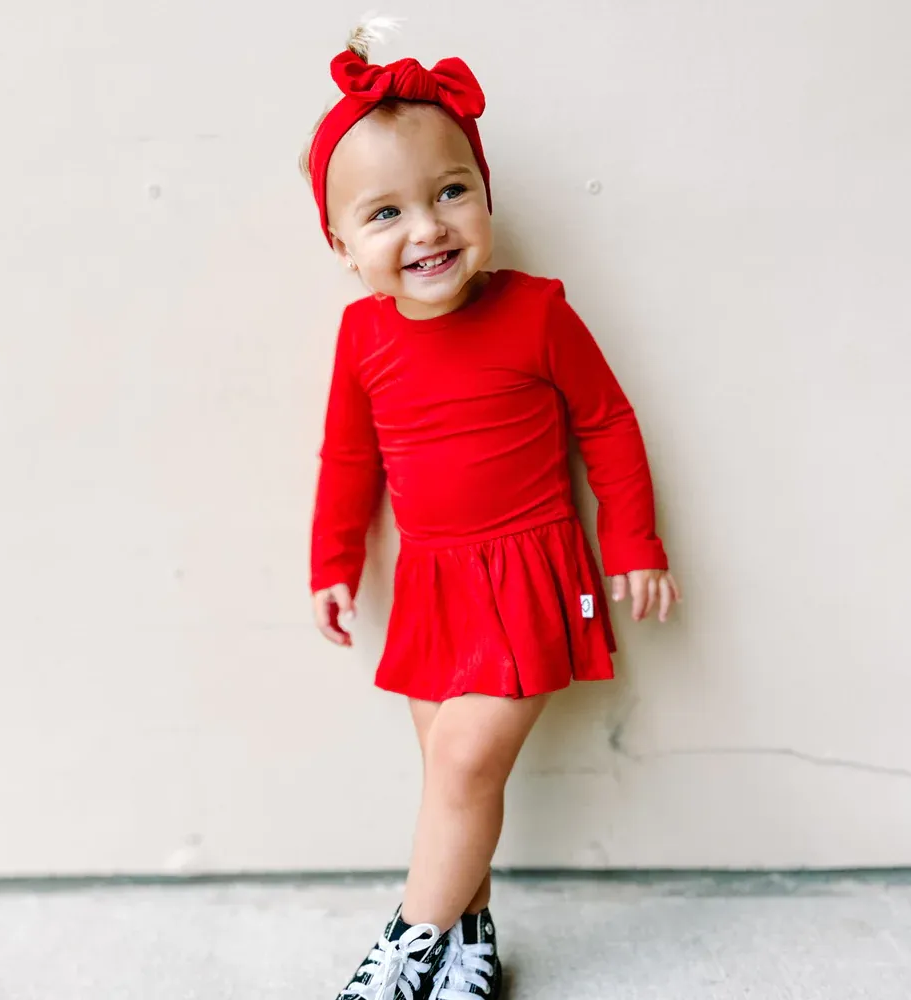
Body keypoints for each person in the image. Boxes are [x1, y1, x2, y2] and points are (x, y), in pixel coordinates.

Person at [301, 18, 682, 1000]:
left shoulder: (537, 311)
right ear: (341, 245)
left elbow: (606, 421)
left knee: (466, 761)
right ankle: (472, 939)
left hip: (527, 573)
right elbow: (349, 459)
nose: (425, 229)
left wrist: (632, 539)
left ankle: (404, 942)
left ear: (486, 197)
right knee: (451, 776)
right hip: (431, 580)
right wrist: (333, 562)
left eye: (448, 193)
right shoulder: (361, 337)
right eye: (383, 214)